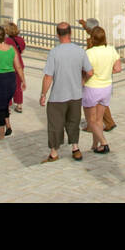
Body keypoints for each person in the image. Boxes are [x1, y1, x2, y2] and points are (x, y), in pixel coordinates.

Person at [40, 22, 93, 163]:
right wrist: (82, 81)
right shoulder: (80, 51)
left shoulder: (54, 52)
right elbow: (90, 71)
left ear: (57, 35)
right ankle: (75, 149)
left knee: (55, 124)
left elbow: (48, 76)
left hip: (58, 96)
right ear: (70, 33)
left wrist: (43, 94)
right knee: (73, 122)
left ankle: (54, 153)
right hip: (76, 94)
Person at [83, 25, 120, 154]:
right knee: (98, 119)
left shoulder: (89, 53)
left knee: (91, 121)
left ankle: (104, 143)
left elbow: (89, 72)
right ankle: (95, 144)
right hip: (106, 86)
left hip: (92, 87)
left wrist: (82, 82)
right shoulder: (111, 49)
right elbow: (117, 68)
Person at [78, 18, 117, 132]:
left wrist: (84, 78)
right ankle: (107, 123)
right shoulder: (99, 34)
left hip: (94, 80)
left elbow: (89, 63)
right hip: (105, 82)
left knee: (92, 107)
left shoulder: (92, 44)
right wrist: (83, 23)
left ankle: (93, 126)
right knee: (102, 104)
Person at [6, 21, 27, 113]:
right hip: (19, 64)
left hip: (9, 65)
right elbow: (21, 50)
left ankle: (8, 106)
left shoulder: (6, 41)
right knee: (18, 86)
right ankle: (19, 105)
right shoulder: (21, 40)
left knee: (8, 86)